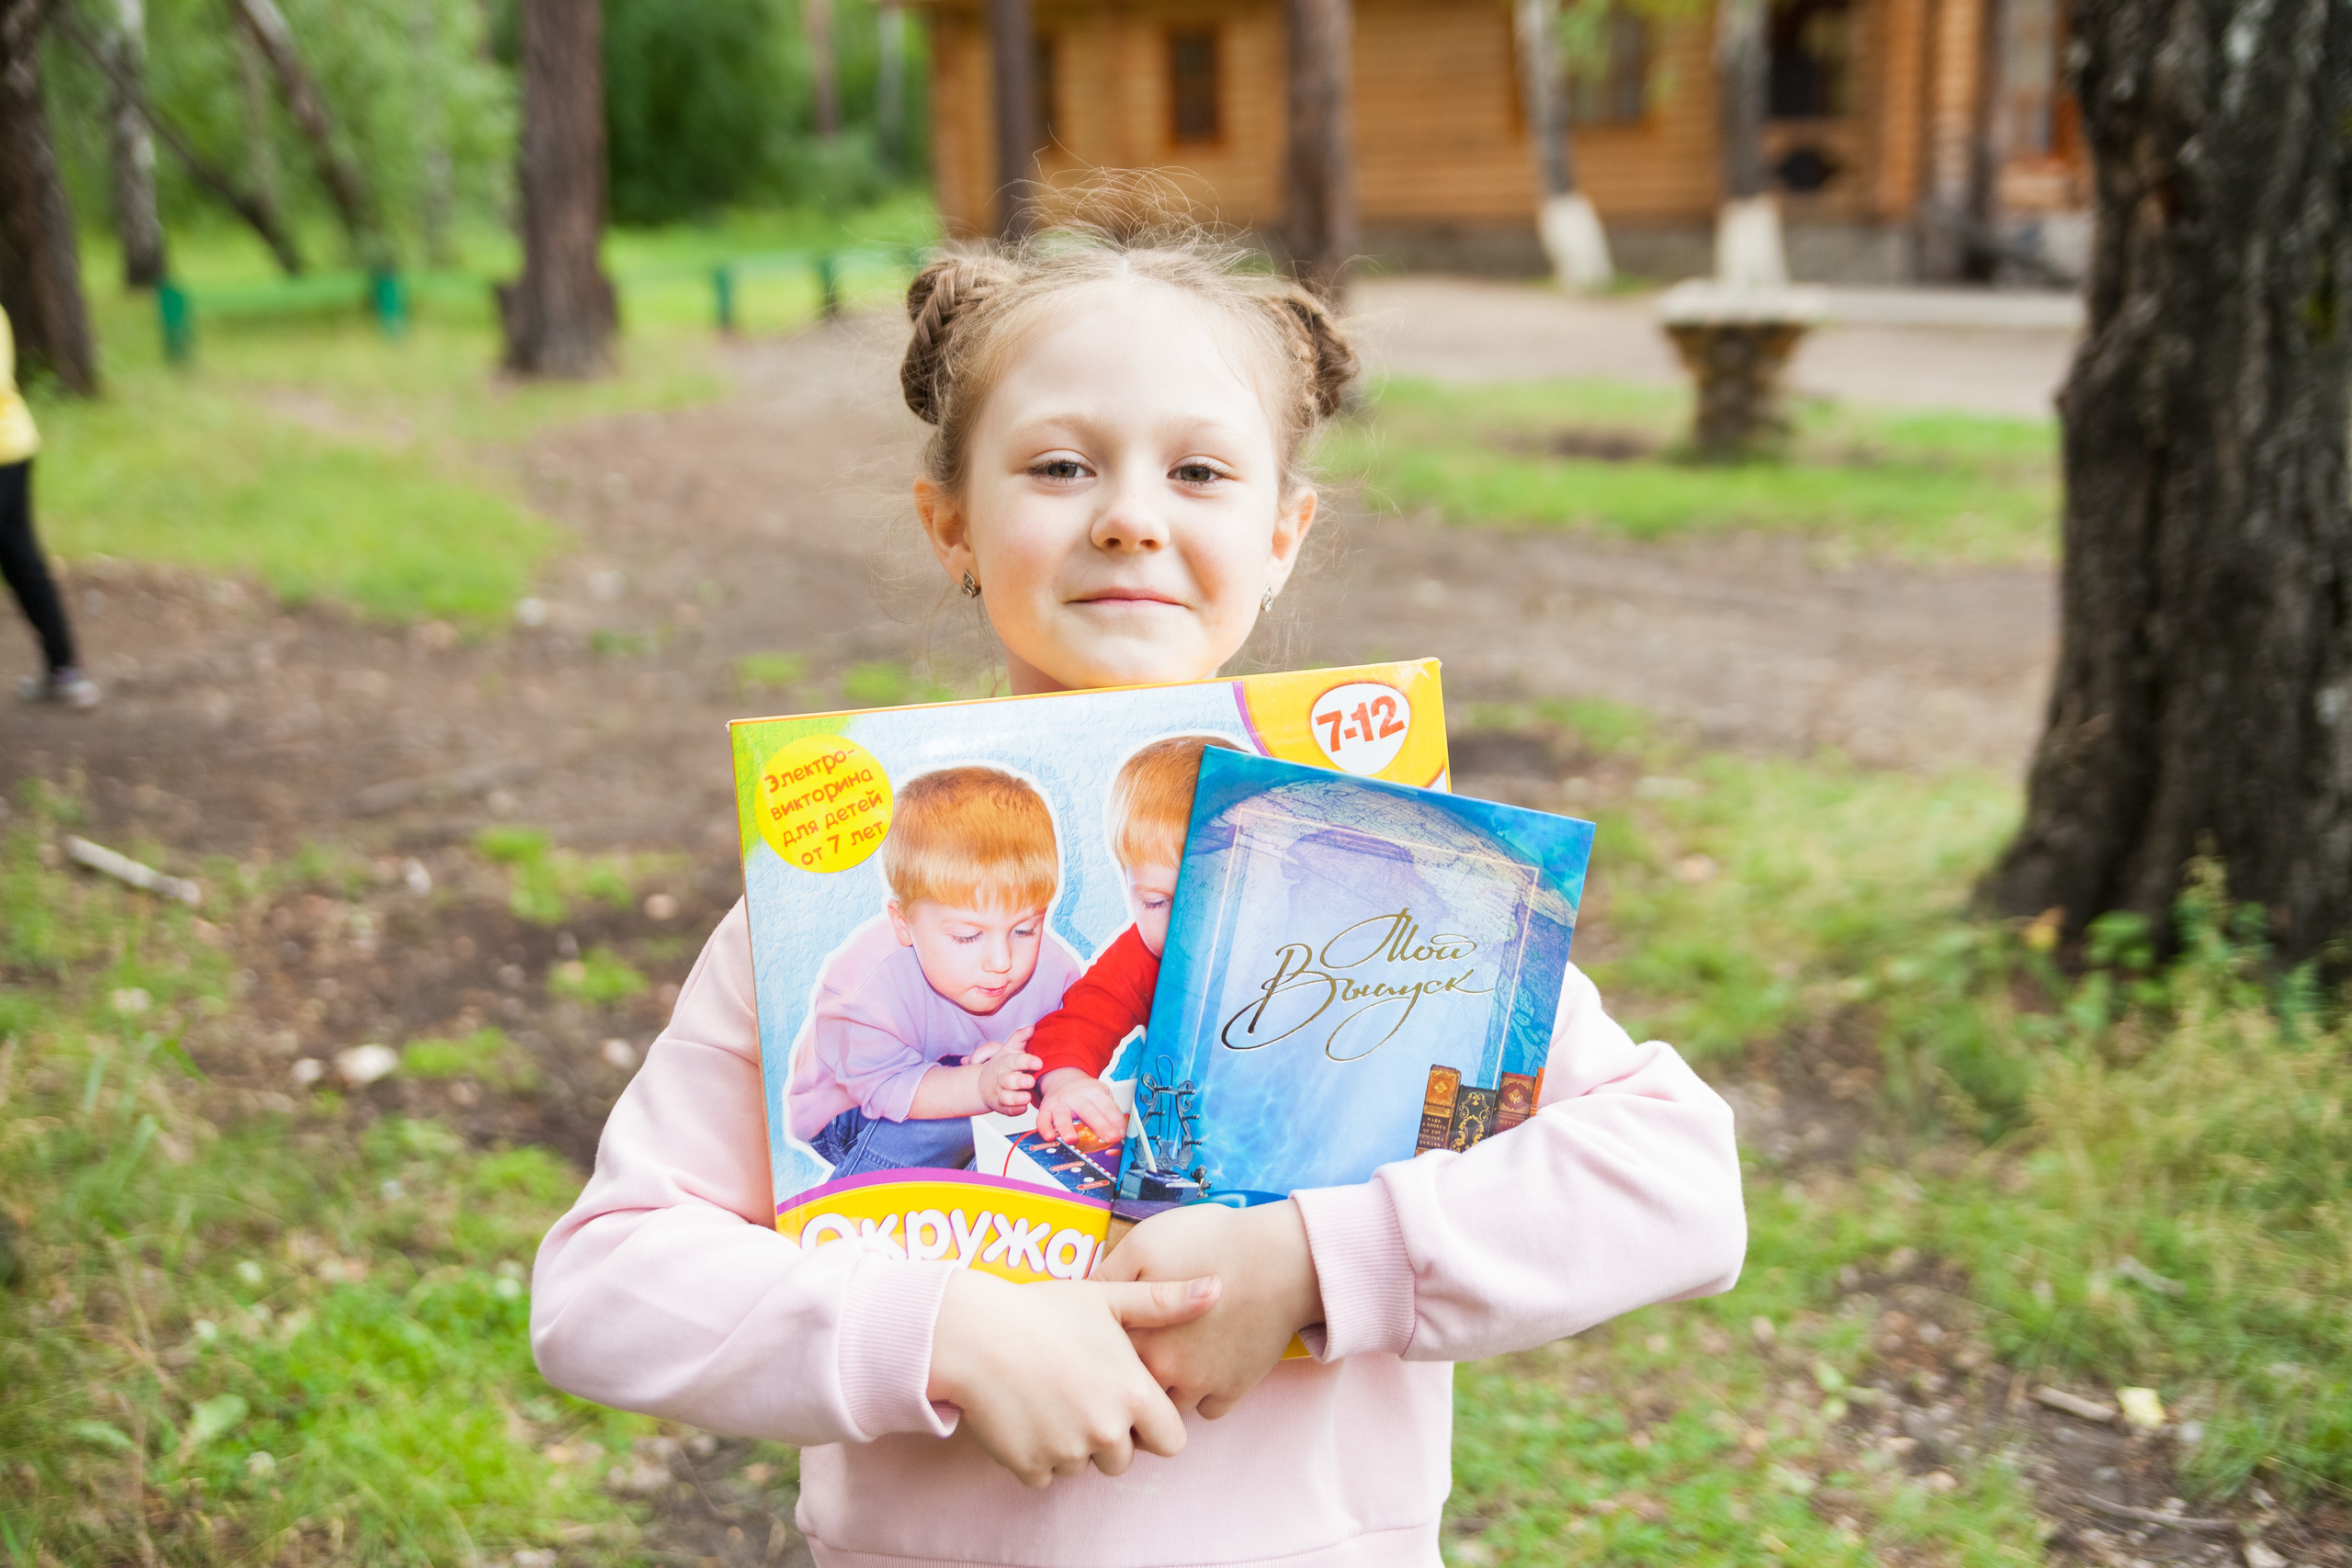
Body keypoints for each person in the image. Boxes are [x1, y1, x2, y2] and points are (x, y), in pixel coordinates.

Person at [532, 206, 1746, 1566]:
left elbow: (1682, 1181)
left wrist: (1314, 1261)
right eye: (1059, 464)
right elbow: (602, 1285)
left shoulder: (1385, 887)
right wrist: (936, 1328)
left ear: (1285, 531)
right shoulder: (818, 914)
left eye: (1200, 472)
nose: (1127, 517)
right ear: (952, 524)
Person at [787, 765, 1077, 1178]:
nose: (1002, 961)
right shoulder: (861, 990)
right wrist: (978, 1085)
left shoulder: (1056, 972)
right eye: (966, 937)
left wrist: (1025, 1072)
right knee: (952, 1121)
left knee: (1023, 1130)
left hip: (968, 1084)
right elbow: (882, 1088)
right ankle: (862, 1208)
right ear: (904, 923)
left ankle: (972, 1192)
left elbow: (1065, 1050)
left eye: (1025, 929)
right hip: (852, 1107)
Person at [1028, 733, 1240, 1146]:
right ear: (1128, 889)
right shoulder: (1141, 955)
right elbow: (1080, 1020)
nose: (1187, 927)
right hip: (1193, 1125)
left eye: (1214, 897)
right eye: (1158, 903)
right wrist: (1066, 1081)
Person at [0, 305, 97, 708]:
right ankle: (63, 668)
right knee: (19, 558)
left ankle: (65, 669)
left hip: (5, 451)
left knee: (20, 557)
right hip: (13, 446)